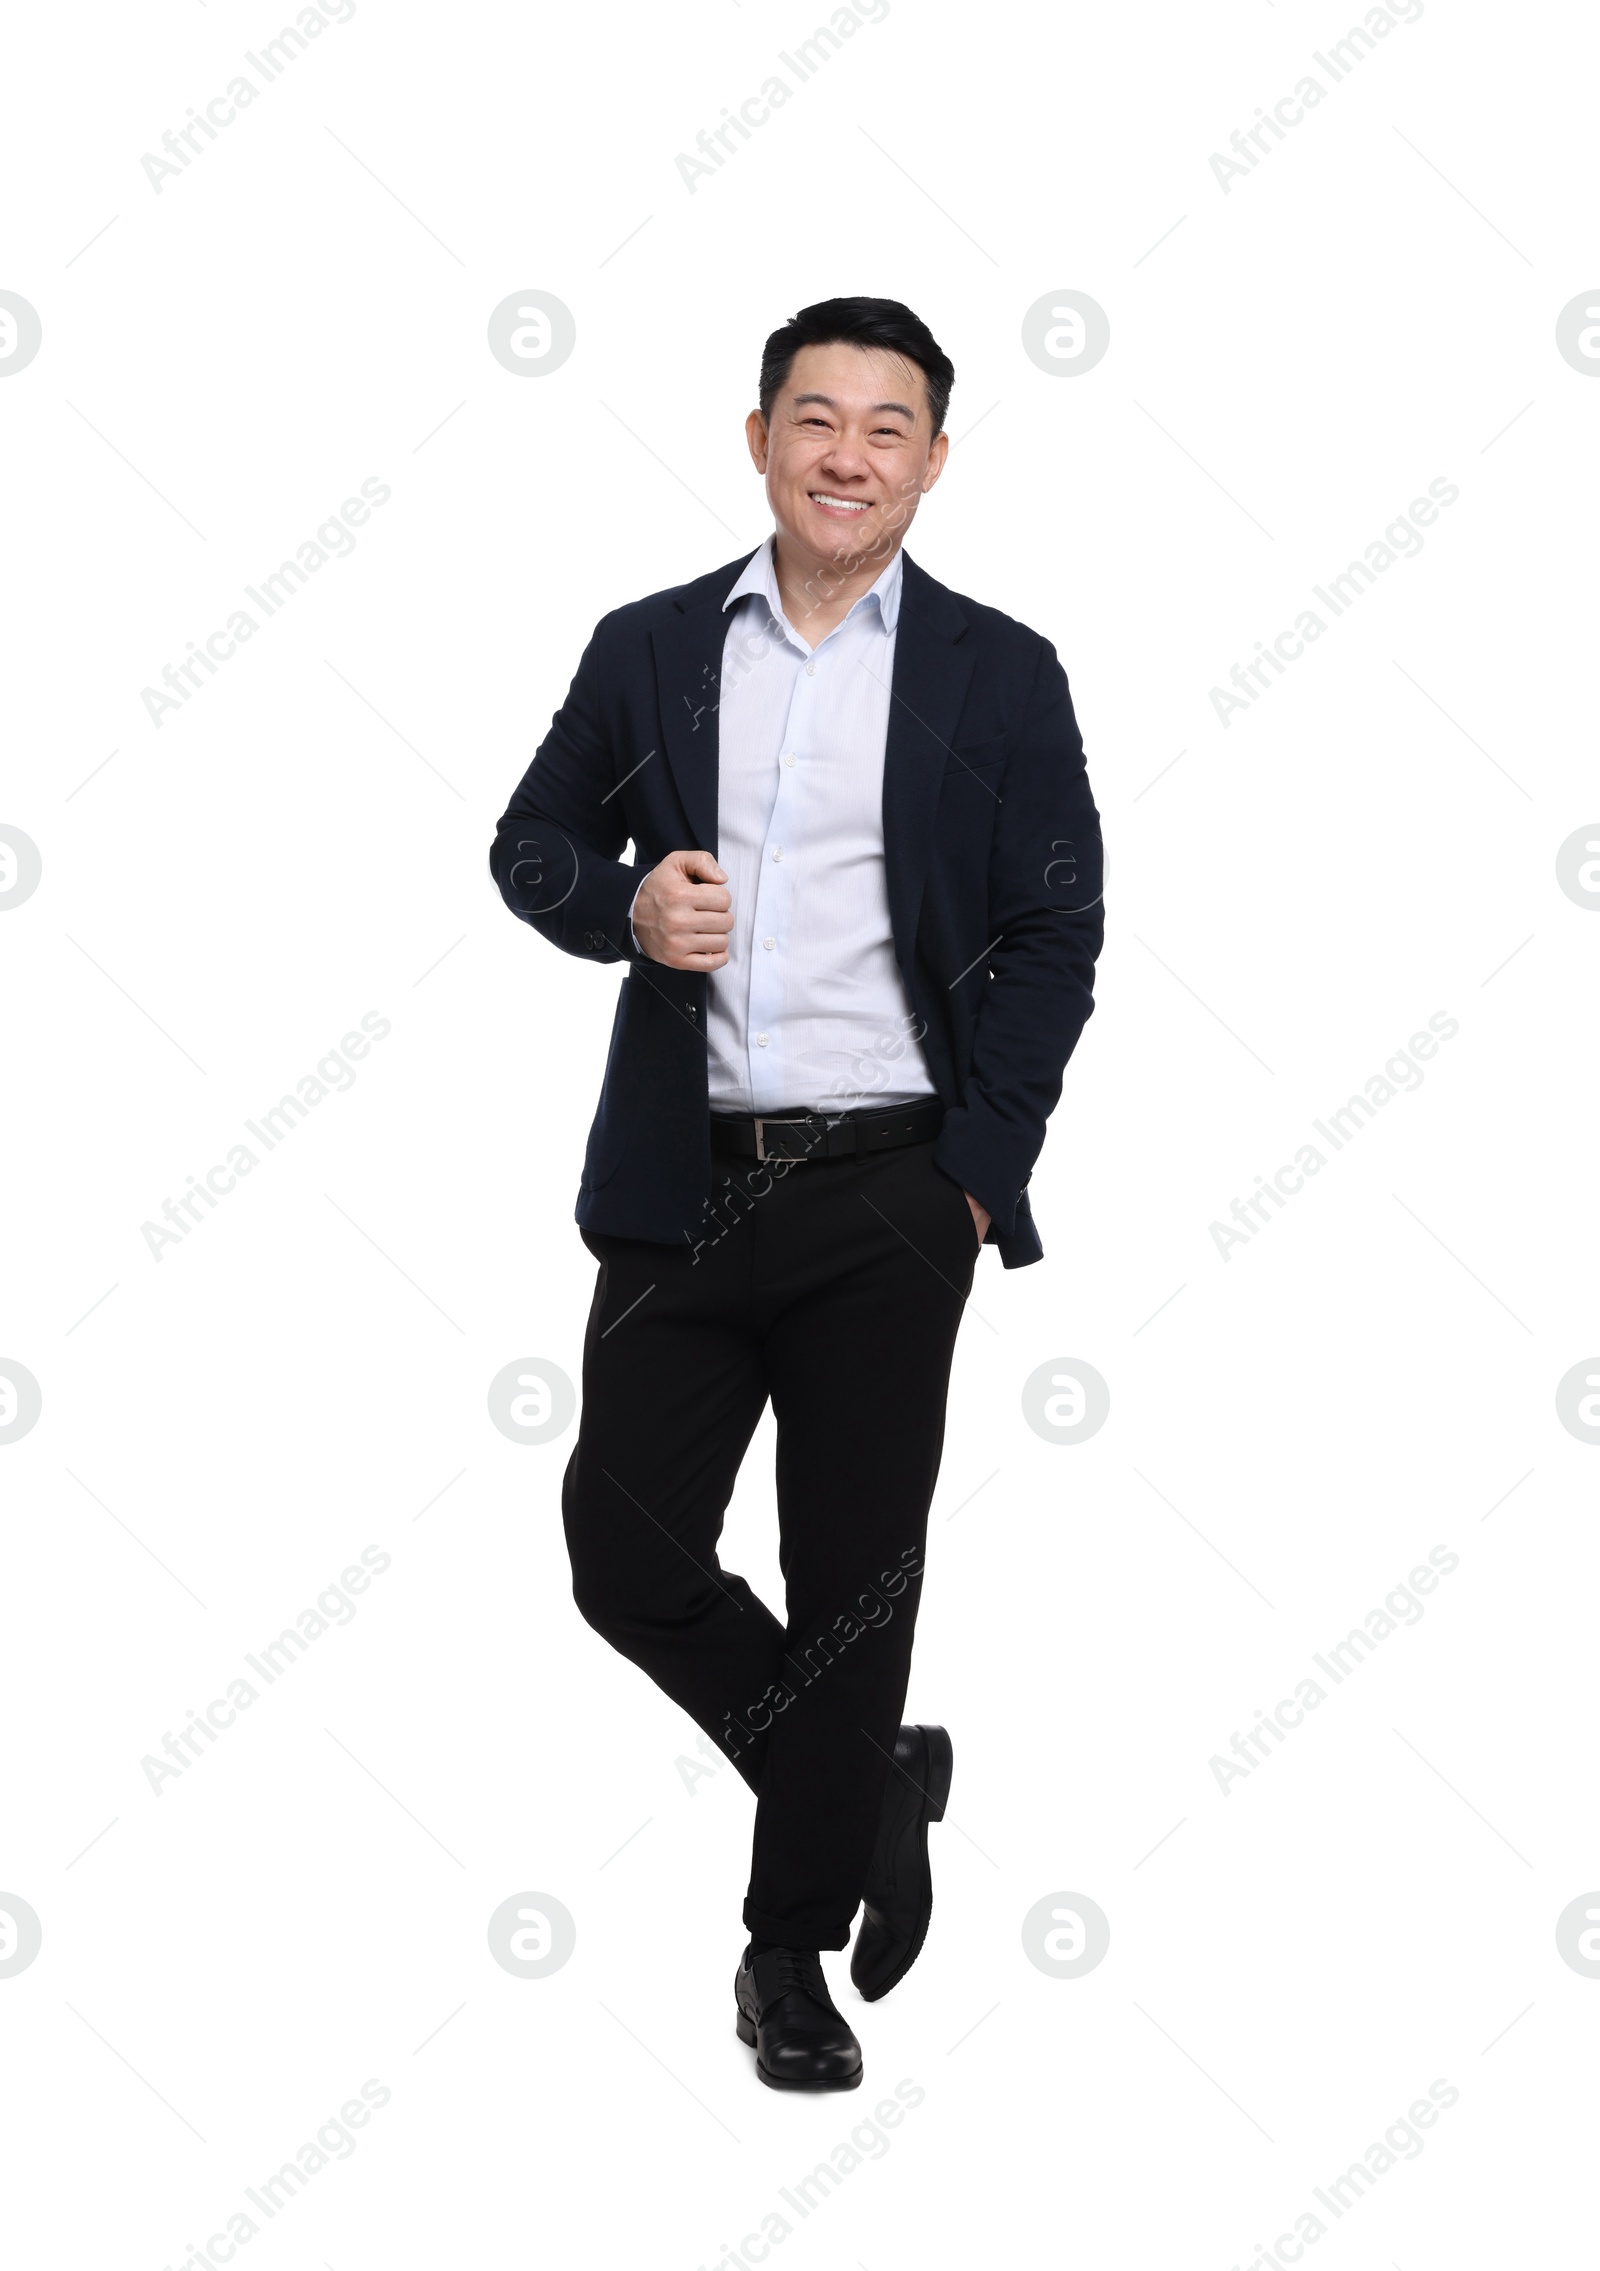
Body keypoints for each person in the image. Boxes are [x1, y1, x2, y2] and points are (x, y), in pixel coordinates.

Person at [489, 296, 1104, 2091]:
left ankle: (783, 1954)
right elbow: (530, 841)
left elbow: (1057, 929)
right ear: (757, 437)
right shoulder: (656, 646)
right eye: (816, 419)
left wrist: (980, 1170)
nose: (849, 455)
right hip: (688, 1184)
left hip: (894, 1192)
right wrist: (621, 910)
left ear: (930, 456)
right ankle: (862, 1775)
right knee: (624, 1553)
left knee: (853, 1585)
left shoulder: (1001, 671)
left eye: (888, 426)